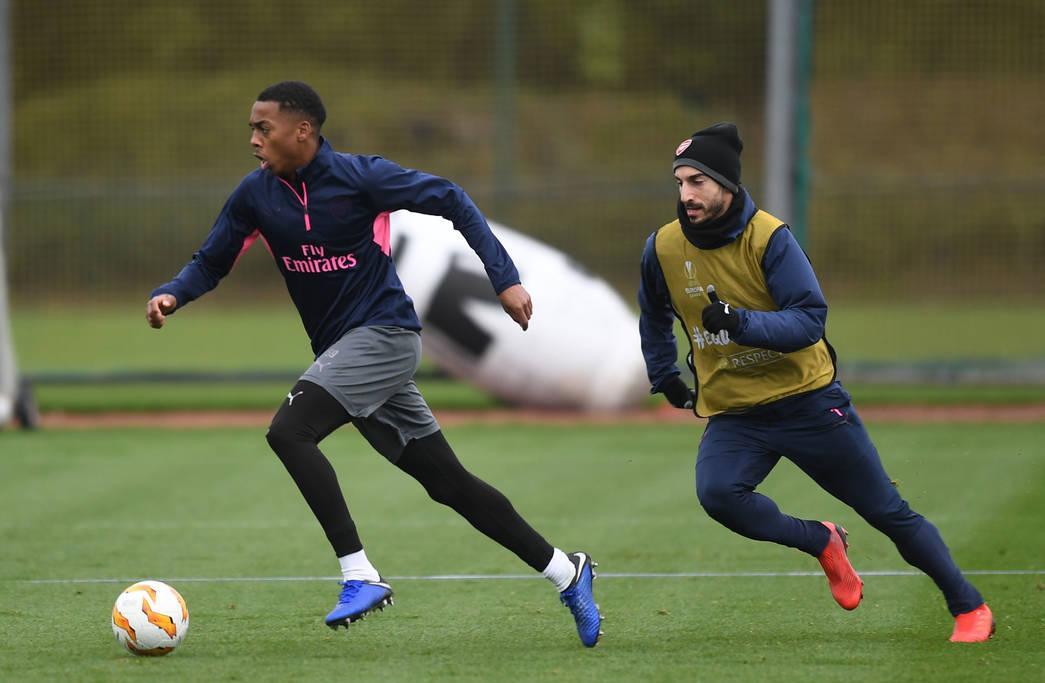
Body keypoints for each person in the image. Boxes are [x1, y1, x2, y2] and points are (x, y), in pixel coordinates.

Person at [145, 81, 601, 647]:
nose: (254, 140)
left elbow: (452, 198)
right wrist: (173, 293)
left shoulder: (361, 177)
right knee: (449, 484)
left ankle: (359, 574)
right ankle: (566, 571)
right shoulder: (254, 195)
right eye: (252, 129)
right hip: (345, 354)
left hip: (385, 336)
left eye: (263, 128)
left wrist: (504, 279)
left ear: (302, 131)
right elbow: (212, 260)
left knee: (289, 431)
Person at [637, 122, 994, 643]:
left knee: (886, 511)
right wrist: (664, 373)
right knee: (718, 495)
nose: (686, 194)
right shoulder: (663, 247)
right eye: (680, 182)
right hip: (736, 413)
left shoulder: (770, 238)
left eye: (698, 182)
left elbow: (809, 320)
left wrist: (740, 322)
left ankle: (969, 607)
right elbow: (653, 314)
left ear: (727, 184)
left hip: (808, 404)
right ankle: (822, 541)